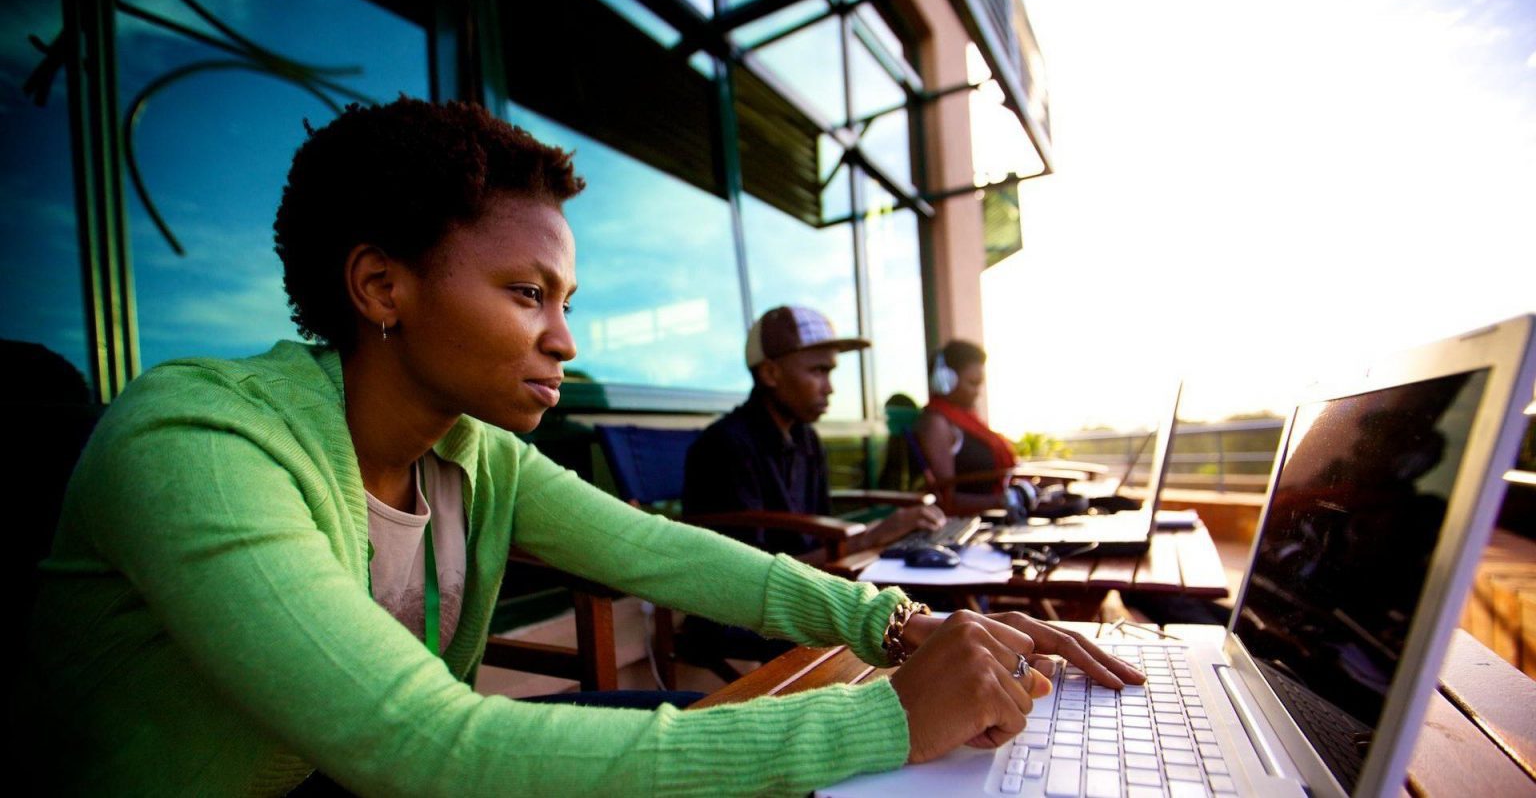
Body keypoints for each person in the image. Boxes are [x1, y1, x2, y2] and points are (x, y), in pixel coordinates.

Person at [23, 98, 1142, 796]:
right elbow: (423, 747)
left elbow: (666, 552)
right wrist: (884, 714)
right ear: (380, 286)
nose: (564, 339)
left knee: (744, 752)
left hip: (362, 773)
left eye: (566, 299)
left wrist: (892, 626)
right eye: (527, 294)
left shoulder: (472, 451)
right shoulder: (199, 441)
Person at [682, 305, 945, 556]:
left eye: (830, 372)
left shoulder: (806, 439)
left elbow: (819, 538)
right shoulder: (723, 448)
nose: (830, 388)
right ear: (770, 373)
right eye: (818, 371)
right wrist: (872, 537)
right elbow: (748, 575)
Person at [913, 339, 1027, 516]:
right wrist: (1006, 500)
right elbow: (947, 498)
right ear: (945, 381)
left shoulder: (967, 420)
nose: (978, 391)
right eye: (973, 383)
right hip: (976, 522)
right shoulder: (937, 423)